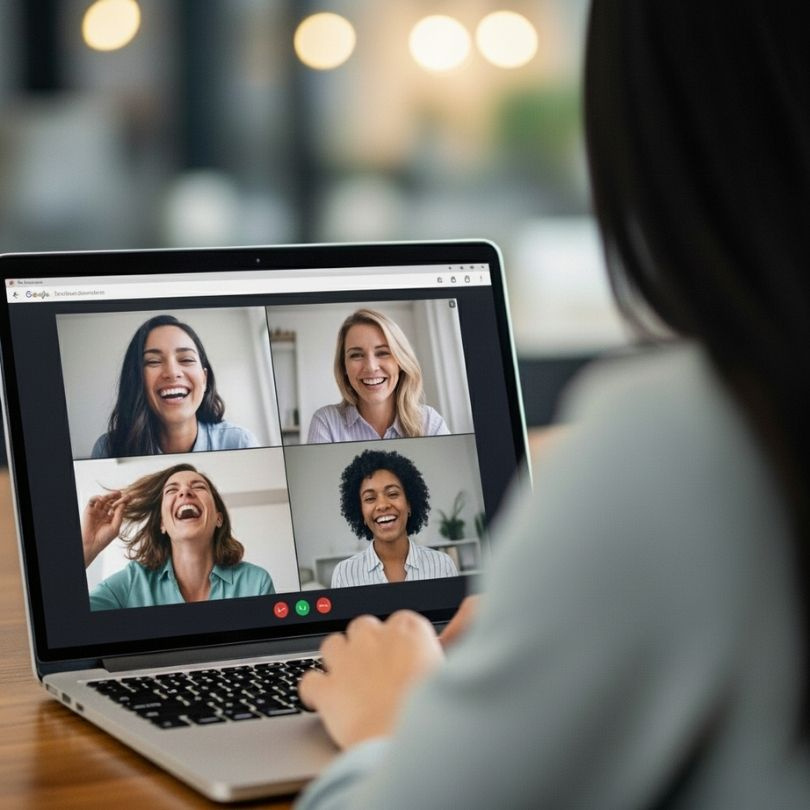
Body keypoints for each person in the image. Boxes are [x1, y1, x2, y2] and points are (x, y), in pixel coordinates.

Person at [296, 2, 810, 807]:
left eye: (391, 489)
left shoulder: (670, 439)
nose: (384, 500)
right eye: (372, 495)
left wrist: (393, 721)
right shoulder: (327, 429)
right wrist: (561, 610)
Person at [83, 463, 274, 610]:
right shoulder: (131, 582)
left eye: (199, 486)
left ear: (218, 518)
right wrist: (86, 548)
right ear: (162, 524)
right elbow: (67, 624)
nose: (185, 491)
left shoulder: (256, 582)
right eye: (172, 490)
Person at [91, 314, 258, 458]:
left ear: (204, 379)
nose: (172, 372)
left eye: (186, 359)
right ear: (136, 379)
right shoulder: (107, 449)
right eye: (154, 361)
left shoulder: (240, 442)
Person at [306, 309, 450, 443]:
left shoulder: (429, 421)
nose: (371, 367)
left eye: (383, 353)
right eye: (356, 355)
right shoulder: (326, 422)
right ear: (344, 367)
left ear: (400, 362)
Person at [330, 449, 459, 588]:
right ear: (360, 512)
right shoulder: (344, 574)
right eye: (370, 498)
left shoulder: (442, 565)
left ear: (409, 504)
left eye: (392, 494)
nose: (383, 505)